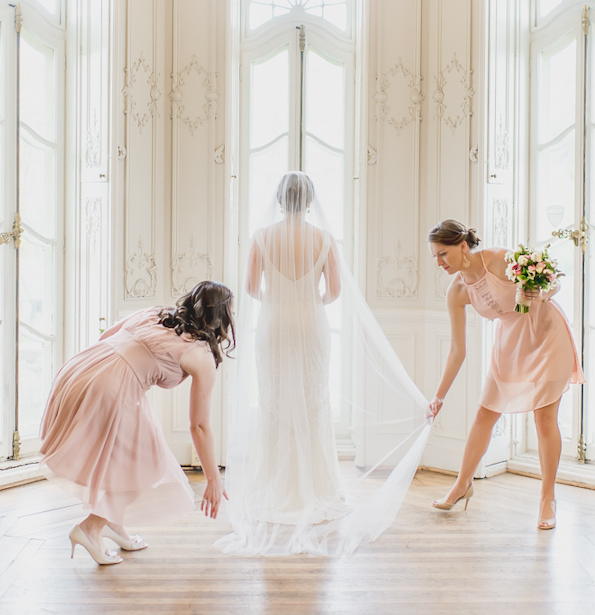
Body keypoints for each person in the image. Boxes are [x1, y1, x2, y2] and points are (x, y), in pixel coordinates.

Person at [216, 172, 431, 556]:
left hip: (275, 325)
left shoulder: (262, 237)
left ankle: (276, 486)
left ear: (280, 200)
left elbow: (249, 288)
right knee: (314, 402)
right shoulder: (324, 239)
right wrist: (306, 299)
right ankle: (313, 488)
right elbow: (333, 291)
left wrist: (278, 298)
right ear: (310, 201)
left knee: (274, 402)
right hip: (311, 324)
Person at [39, 280, 235, 565]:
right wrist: (213, 478)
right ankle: (90, 529)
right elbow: (199, 426)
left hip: (82, 367)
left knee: (122, 458)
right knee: (146, 463)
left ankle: (113, 523)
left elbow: (108, 335)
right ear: (222, 318)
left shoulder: (157, 313)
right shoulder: (201, 355)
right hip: (110, 385)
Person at [427, 220, 584, 529]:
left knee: (543, 418)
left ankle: (547, 499)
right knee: (484, 416)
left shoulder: (498, 258)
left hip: (546, 334)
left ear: (462, 247)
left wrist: (538, 291)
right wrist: (439, 395)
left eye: (442, 254)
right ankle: (462, 484)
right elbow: (457, 351)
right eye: (435, 256)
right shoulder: (456, 292)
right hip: (511, 345)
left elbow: (553, 282)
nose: (439, 263)